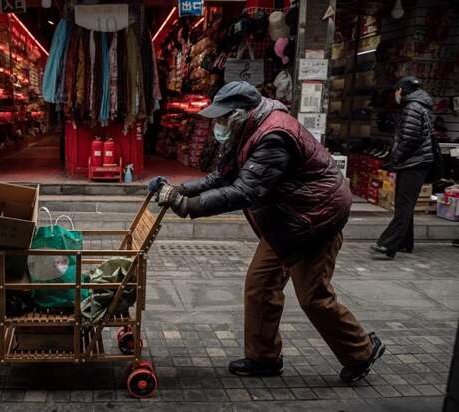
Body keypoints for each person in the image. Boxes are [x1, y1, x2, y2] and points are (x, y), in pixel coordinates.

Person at [148, 81, 384, 383]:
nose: (218, 125)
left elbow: (244, 191)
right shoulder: (246, 131)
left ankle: (361, 351)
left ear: (240, 113)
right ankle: (263, 358)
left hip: (315, 219)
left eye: (222, 118)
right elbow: (223, 177)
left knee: (314, 297)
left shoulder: (274, 136)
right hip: (286, 220)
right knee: (260, 286)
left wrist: (187, 204)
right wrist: (179, 189)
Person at [371, 76, 434, 259]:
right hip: (417, 161)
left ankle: (387, 244)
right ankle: (405, 243)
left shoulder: (412, 107)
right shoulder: (421, 105)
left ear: (402, 90)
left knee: (404, 204)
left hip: (414, 162)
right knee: (404, 203)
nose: (395, 94)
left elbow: (409, 139)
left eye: (397, 90)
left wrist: (394, 159)